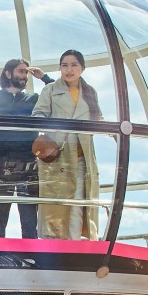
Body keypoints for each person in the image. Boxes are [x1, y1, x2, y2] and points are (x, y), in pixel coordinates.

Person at [30, 49, 101, 240]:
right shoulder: (50, 90)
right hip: (58, 157)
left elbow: (97, 119)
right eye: (64, 65)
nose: (69, 70)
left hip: (82, 157)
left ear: (82, 68)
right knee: (56, 206)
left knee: (79, 202)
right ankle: (53, 247)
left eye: (74, 65)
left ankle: (75, 243)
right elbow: (38, 115)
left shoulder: (90, 92)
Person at [0, 57, 52, 237]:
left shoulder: (34, 99)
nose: (25, 76)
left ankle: (30, 256)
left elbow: (59, 93)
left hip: (30, 162)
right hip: (2, 162)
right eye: (21, 71)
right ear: (8, 73)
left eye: (26, 72)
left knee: (30, 218)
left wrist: (44, 78)